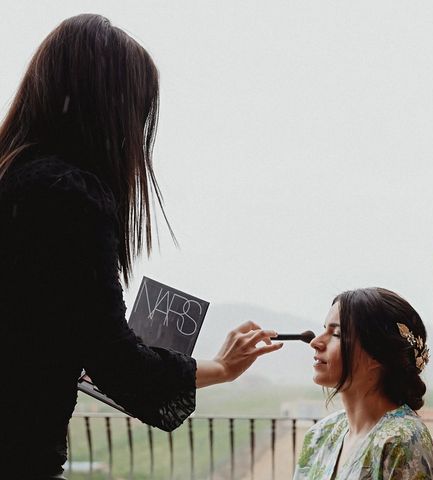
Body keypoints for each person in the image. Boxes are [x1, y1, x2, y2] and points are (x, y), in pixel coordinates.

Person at [0, 14, 282, 479]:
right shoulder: (68, 193)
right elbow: (115, 360)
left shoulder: (14, 178)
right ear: (110, 111)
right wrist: (221, 367)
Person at [294, 288, 433, 480]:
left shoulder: (402, 440)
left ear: (378, 355)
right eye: (324, 330)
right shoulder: (320, 434)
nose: (315, 342)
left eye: (337, 334)